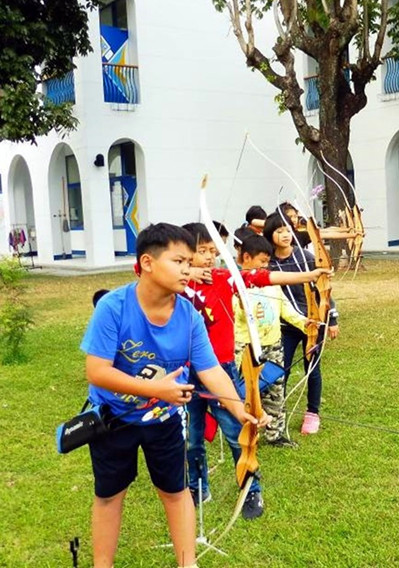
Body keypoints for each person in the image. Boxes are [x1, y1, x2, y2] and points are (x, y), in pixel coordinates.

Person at [80, 222, 267, 568]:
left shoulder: (189, 317)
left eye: (189, 261)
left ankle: (188, 563)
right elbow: (98, 371)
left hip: (162, 421)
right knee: (109, 495)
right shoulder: (113, 307)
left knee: (176, 492)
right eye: (179, 261)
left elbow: (211, 371)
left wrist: (241, 410)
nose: (189, 269)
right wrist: (156, 389)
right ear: (148, 263)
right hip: (112, 418)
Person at [179, 222, 328, 518]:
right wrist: (187, 273)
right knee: (192, 437)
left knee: (238, 433)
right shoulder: (174, 284)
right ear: (184, 254)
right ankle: (198, 487)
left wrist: (309, 275)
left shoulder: (223, 278)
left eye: (213, 251)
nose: (209, 257)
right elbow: (140, 269)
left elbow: (261, 276)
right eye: (202, 251)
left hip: (219, 369)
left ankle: (251, 490)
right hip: (185, 373)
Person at [264, 212, 339, 435]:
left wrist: (332, 318)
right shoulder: (268, 262)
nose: (285, 235)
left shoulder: (306, 257)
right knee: (280, 370)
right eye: (279, 231)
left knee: (312, 369)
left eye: (288, 230)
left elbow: (323, 289)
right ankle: (276, 413)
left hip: (314, 323)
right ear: (270, 235)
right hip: (285, 326)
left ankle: (312, 413)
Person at [235, 233, 309, 447]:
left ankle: (275, 434)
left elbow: (285, 307)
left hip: (273, 343)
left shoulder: (270, 283)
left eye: (268, 262)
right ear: (246, 257)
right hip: (246, 346)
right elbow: (237, 316)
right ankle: (248, 433)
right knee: (248, 391)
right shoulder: (235, 283)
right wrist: (241, 305)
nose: (266, 266)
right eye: (262, 261)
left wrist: (305, 323)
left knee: (276, 388)